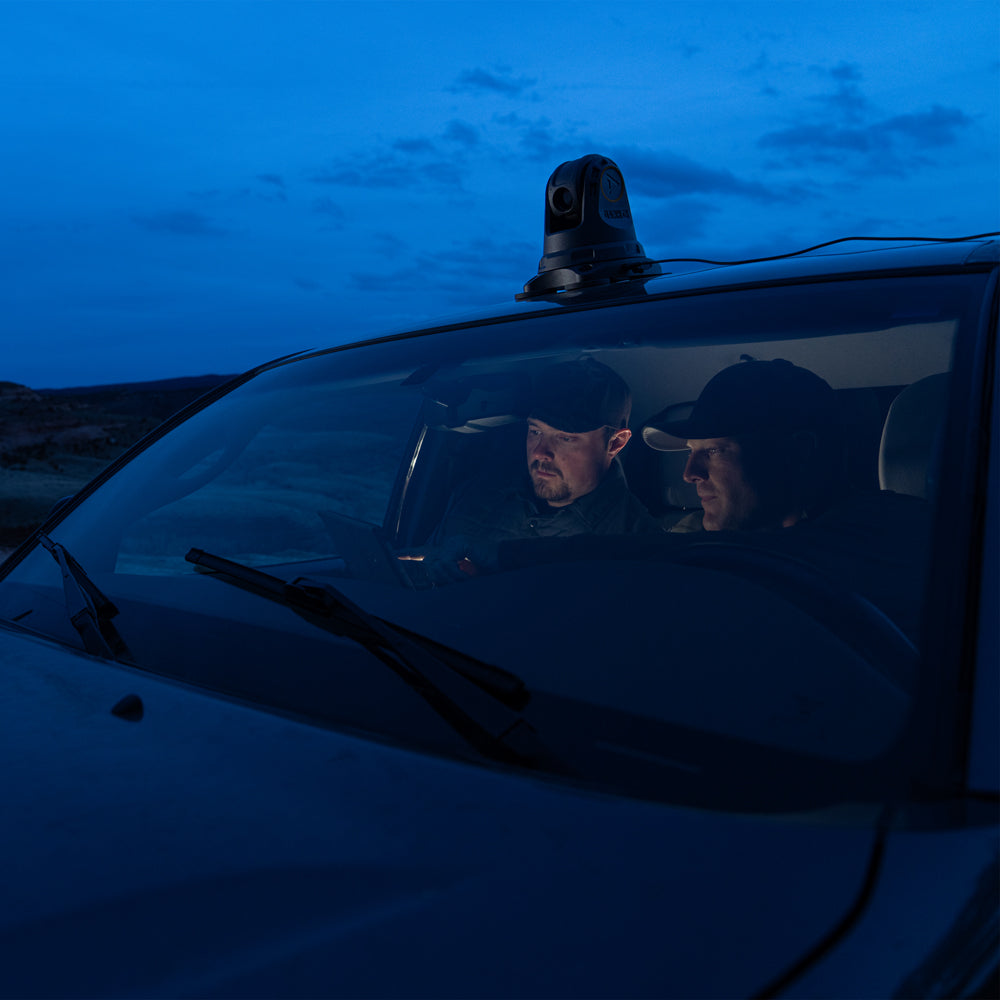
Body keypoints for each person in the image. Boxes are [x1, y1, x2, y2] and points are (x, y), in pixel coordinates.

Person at [399, 358, 660, 582]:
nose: (540, 452)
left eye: (565, 438)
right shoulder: (479, 493)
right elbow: (429, 559)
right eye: (535, 431)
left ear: (615, 443)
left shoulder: (638, 546)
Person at [641, 358, 846, 532]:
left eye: (714, 450)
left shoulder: (852, 550)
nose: (689, 474)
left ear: (799, 451)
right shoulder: (683, 541)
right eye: (690, 451)